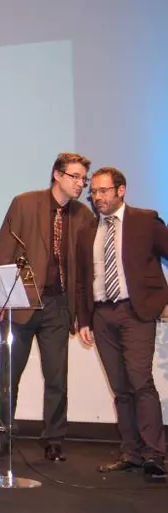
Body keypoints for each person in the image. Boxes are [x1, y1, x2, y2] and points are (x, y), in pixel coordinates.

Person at [0, 152, 95, 461]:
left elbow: (87, 269)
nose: (80, 184)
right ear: (57, 175)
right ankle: (4, 434)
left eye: (83, 179)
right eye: (75, 177)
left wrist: (82, 313)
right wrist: (1, 301)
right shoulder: (24, 203)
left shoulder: (83, 215)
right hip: (20, 303)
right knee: (8, 376)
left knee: (57, 378)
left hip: (58, 306)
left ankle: (53, 439)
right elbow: (2, 254)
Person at [75, 167, 167, 481]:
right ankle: (131, 453)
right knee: (120, 389)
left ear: (121, 190)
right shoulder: (87, 230)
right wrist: (83, 319)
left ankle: (156, 455)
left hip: (136, 312)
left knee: (140, 382)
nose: (97, 197)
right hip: (102, 315)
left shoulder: (145, 220)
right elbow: (82, 281)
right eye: (94, 192)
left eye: (103, 191)